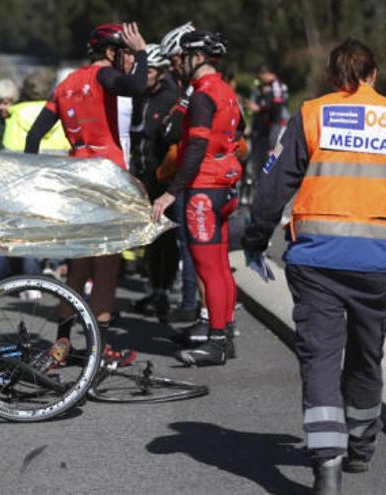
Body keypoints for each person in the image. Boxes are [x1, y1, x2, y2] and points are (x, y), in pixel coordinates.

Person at [240, 39, 386, 494]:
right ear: (374, 74)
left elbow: (272, 189)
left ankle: (327, 464)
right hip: (381, 262)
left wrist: (254, 240)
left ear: (333, 76)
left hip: (318, 262)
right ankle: (361, 447)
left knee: (321, 362)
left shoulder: (311, 114)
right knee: (367, 357)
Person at [25, 22, 148, 332]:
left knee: (80, 262)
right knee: (107, 261)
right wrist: (144, 53)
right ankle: (102, 347)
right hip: (107, 175)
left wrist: (30, 176)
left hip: (78, 175)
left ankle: (62, 341)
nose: (129, 59)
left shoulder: (66, 83)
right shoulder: (103, 75)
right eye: (125, 53)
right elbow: (137, 87)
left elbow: (34, 136)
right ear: (109, 52)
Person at [150, 30, 243, 367]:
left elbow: (197, 147)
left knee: (209, 268)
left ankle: (216, 341)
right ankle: (225, 334)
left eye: (184, 56)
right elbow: (238, 131)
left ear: (196, 57)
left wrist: (172, 192)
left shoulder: (202, 95)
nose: (180, 63)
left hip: (205, 189)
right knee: (220, 266)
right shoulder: (226, 91)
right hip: (226, 185)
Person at [130, 43, 179, 320]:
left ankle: (163, 290)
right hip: (144, 175)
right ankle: (154, 288)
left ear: (161, 72)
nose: (144, 74)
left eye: (149, 70)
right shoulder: (139, 96)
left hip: (165, 177)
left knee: (166, 237)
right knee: (151, 238)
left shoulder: (170, 96)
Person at [158, 21, 202, 324]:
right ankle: (198, 309)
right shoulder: (188, 85)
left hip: (197, 177)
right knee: (190, 243)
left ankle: (194, 306)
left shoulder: (195, 88)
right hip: (191, 173)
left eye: (175, 60)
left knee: (194, 244)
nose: (174, 67)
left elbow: (172, 130)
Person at [245, 63, 290, 179]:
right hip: (274, 125)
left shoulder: (276, 85)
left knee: (275, 150)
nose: (261, 80)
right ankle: (269, 175)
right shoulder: (271, 86)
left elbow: (277, 104)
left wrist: (260, 108)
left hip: (279, 124)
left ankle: (272, 174)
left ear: (266, 74)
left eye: (261, 76)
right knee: (272, 150)